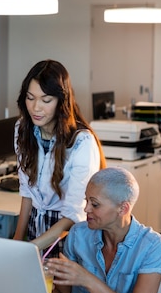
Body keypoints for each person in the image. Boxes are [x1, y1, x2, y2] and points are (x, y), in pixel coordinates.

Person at [46, 167, 161, 293]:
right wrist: (34, 287)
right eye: (86, 201)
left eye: (95, 204)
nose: (86, 209)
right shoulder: (78, 234)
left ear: (123, 209)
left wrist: (86, 279)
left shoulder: (153, 245)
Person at [12, 59, 105, 256]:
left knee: (58, 285)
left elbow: (73, 213)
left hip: (67, 233)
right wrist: (17, 241)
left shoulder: (81, 142)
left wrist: (31, 248)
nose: (36, 108)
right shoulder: (22, 129)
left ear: (61, 101)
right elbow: (27, 192)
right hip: (35, 227)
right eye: (30, 98)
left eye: (46, 100)